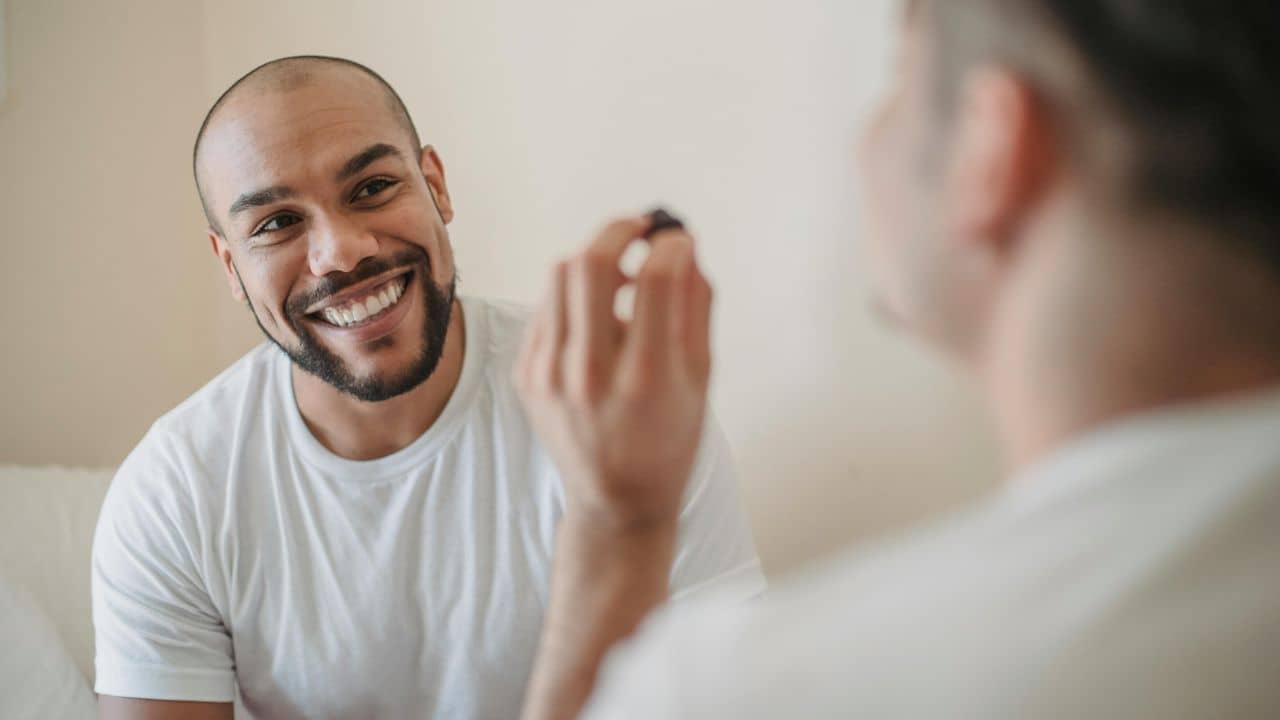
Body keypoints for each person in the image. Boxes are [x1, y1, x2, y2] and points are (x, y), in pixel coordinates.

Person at [514, 1, 1280, 718]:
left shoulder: (768, 691)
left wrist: (619, 526)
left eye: (899, 78)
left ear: (990, 150)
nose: (866, 136)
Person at [91, 56, 764, 720]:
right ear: (230, 265)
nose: (341, 252)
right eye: (276, 224)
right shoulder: (174, 491)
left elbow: (726, 695)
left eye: (372, 187)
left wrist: (621, 523)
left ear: (435, 186)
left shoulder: (622, 408)